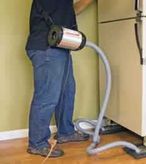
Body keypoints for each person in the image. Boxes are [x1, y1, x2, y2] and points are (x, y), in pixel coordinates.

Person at [25, 0, 93, 158]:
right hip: (47, 47)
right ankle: (37, 143)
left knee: (67, 92)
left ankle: (65, 132)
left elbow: (73, 9)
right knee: (47, 97)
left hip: (61, 46)